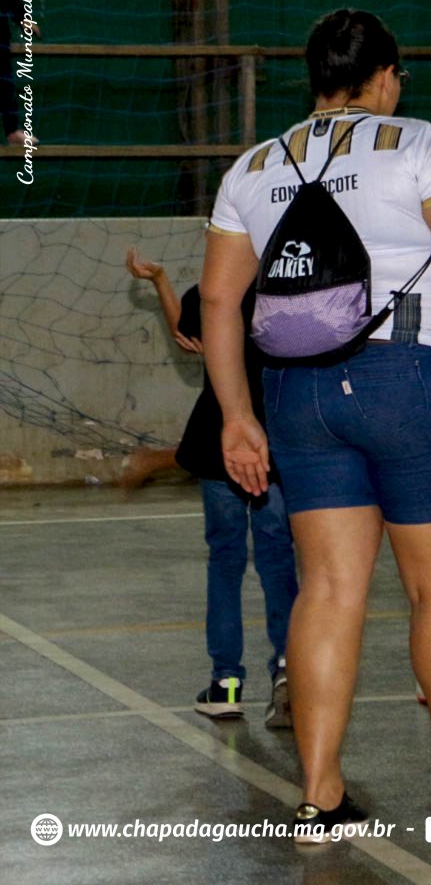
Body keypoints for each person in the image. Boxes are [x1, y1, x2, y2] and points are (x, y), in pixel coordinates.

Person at [201, 8, 431, 841]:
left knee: (330, 589)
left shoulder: (252, 165)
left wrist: (238, 416)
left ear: (314, 78)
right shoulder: (418, 145)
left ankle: (319, 794)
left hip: (297, 394)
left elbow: (217, 297)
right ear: (385, 76)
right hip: (408, 379)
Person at [126, 250, 296, 728]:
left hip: (219, 439)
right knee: (277, 559)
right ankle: (287, 673)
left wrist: (160, 279)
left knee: (225, 562)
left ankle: (225, 683)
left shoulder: (209, 294)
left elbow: (187, 335)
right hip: (273, 440)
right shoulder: (287, 290)